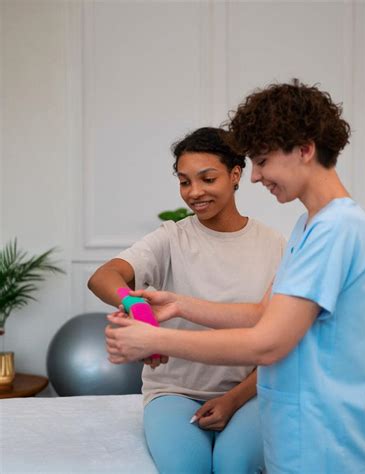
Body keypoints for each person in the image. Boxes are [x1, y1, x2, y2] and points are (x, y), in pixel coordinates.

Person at [105, 81, 365, 473]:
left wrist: (152, 339)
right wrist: (178, 305)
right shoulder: (308, 226)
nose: (254, 176)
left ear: (304, 150)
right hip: (294, 430)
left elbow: (268, 343)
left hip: (321, 439)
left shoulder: (337, 228)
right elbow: (263, 313)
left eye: (262, 160)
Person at [88, 127, 286, 473]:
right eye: (184, 182)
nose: (194, 192)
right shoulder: (171, 238)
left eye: (207, 179)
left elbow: (279, 339)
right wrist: (136, 306)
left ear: (235, 174)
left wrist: (233, 399)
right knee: (187, 468)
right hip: (174, 391)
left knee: (234, 465)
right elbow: (103, 277)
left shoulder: (275, 246)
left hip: (249, 392)